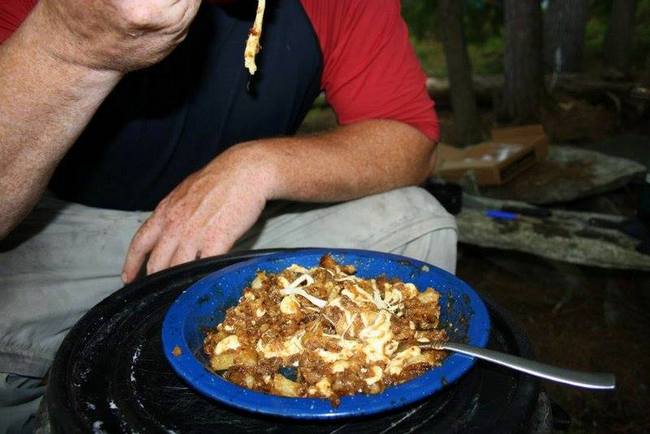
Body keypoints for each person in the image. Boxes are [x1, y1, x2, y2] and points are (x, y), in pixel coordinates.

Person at [0, 0, 457, 431]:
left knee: (417, 220)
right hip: (61, 220)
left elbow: (409, 138)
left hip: (246, 222)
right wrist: (70, 46)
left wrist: (259, 167)